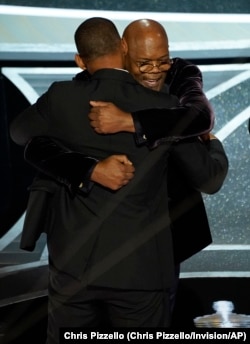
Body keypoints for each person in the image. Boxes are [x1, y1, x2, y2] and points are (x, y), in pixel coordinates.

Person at [9, 17, 221, 342]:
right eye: (145, 61)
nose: (154, 70)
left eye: (161, 61)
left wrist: (98, 153)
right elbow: (208, 176)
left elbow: (22, 134)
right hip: (143, 272)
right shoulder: (165, 106)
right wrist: (213, 143)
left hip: (73, 268)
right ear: (123, 49)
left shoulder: (63, 98)